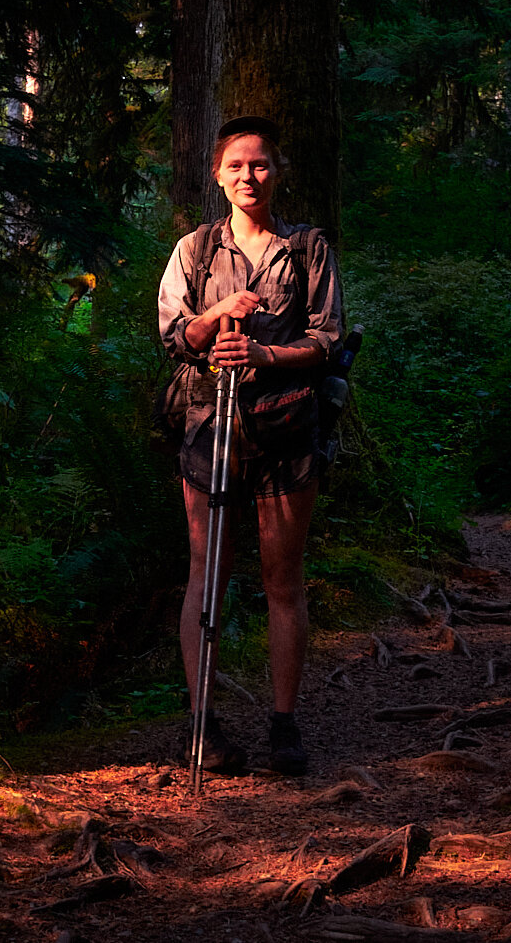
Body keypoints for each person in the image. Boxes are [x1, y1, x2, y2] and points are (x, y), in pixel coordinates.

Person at [156, 116, 343, 776]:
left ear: (277, 170)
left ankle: (285, 724)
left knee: (281, 579)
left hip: (288, 426)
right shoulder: (194, 250)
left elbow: (327, 340)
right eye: (236, 165)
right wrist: (216, 318)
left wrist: (262, 349)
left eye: (260, 164)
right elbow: (175, 335)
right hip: (210, 423)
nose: (248, 176)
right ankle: (202, 723)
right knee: (205, 573)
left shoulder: (307, 247)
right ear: (216, 172)